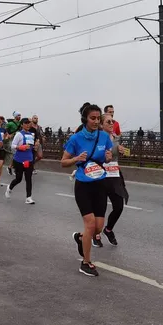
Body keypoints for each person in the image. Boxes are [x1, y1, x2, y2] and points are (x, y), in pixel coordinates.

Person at [61, 103, 113, 277]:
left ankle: (81, 238)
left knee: (98, 228)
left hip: (100, 183)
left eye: (98, 118)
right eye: (93, 118)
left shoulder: (104, 136)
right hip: (83, 184)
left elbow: (106, 157)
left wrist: (108, 157)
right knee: (90, 224)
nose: (96, 121)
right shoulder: (76, 139)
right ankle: (86, 262)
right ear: (85, 119)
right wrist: (76, 158)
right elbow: (63, 162)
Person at [101, 113, 129, 246]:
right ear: (101, 125)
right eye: (108, 122)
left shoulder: (116, 138)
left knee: (118, 206)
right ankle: (95, 235)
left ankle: (108, 229)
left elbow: (116, 154)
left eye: (112, 121)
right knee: (99, 208)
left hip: (114, 174)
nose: (112, 123)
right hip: (100, 175)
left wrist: (121, 150)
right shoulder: (98, 138)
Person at [5, 118, 36, 204]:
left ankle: (28, 197)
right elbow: (13, 146)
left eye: (29, 123)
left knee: (29, 179)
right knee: (18, 179)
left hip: (29, 160)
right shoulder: (19, 134)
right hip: (19, 160)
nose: (27, 124)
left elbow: (30, 146)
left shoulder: (31, 135)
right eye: (25, 123)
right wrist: (19, 147)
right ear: (22, 125)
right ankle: (9, 188)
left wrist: (35, 147)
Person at [4, 111, 22, 175]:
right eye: (18, 115)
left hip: (18, 140)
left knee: (17, 154)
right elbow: (5, 130)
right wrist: (8, 135)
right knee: (15, 154)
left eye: (20, 115)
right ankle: (13, 168)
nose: (19, 117)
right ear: (15, 116)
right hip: (12, 140)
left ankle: (11, 167)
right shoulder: (10, 123)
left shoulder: (20, 123)